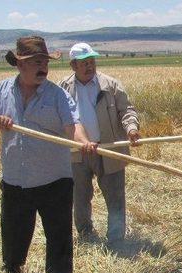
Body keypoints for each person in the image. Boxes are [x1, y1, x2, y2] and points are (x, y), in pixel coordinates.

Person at [0, 36, 96, 273]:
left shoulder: (57, 95)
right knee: (14, 233)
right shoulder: (1, 90)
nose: (43, 67)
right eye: (36, 62)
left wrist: (84, 143)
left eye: (45, 62)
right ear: (20, 65)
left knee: (59, 235)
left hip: (55, 180)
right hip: (16, 180)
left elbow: (72, 125)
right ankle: (13, 272)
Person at [58, 42, 141, 245]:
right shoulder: (62, 89)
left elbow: (127, 110)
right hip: (77, 152)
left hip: (109, 150)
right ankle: (86, 235)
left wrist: (131, 128)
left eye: (92, 61)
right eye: (84, 63)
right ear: (73, 66)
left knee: (115, 197)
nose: (90, 66)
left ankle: (116, 239)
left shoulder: (111, 85)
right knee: (80, 197)